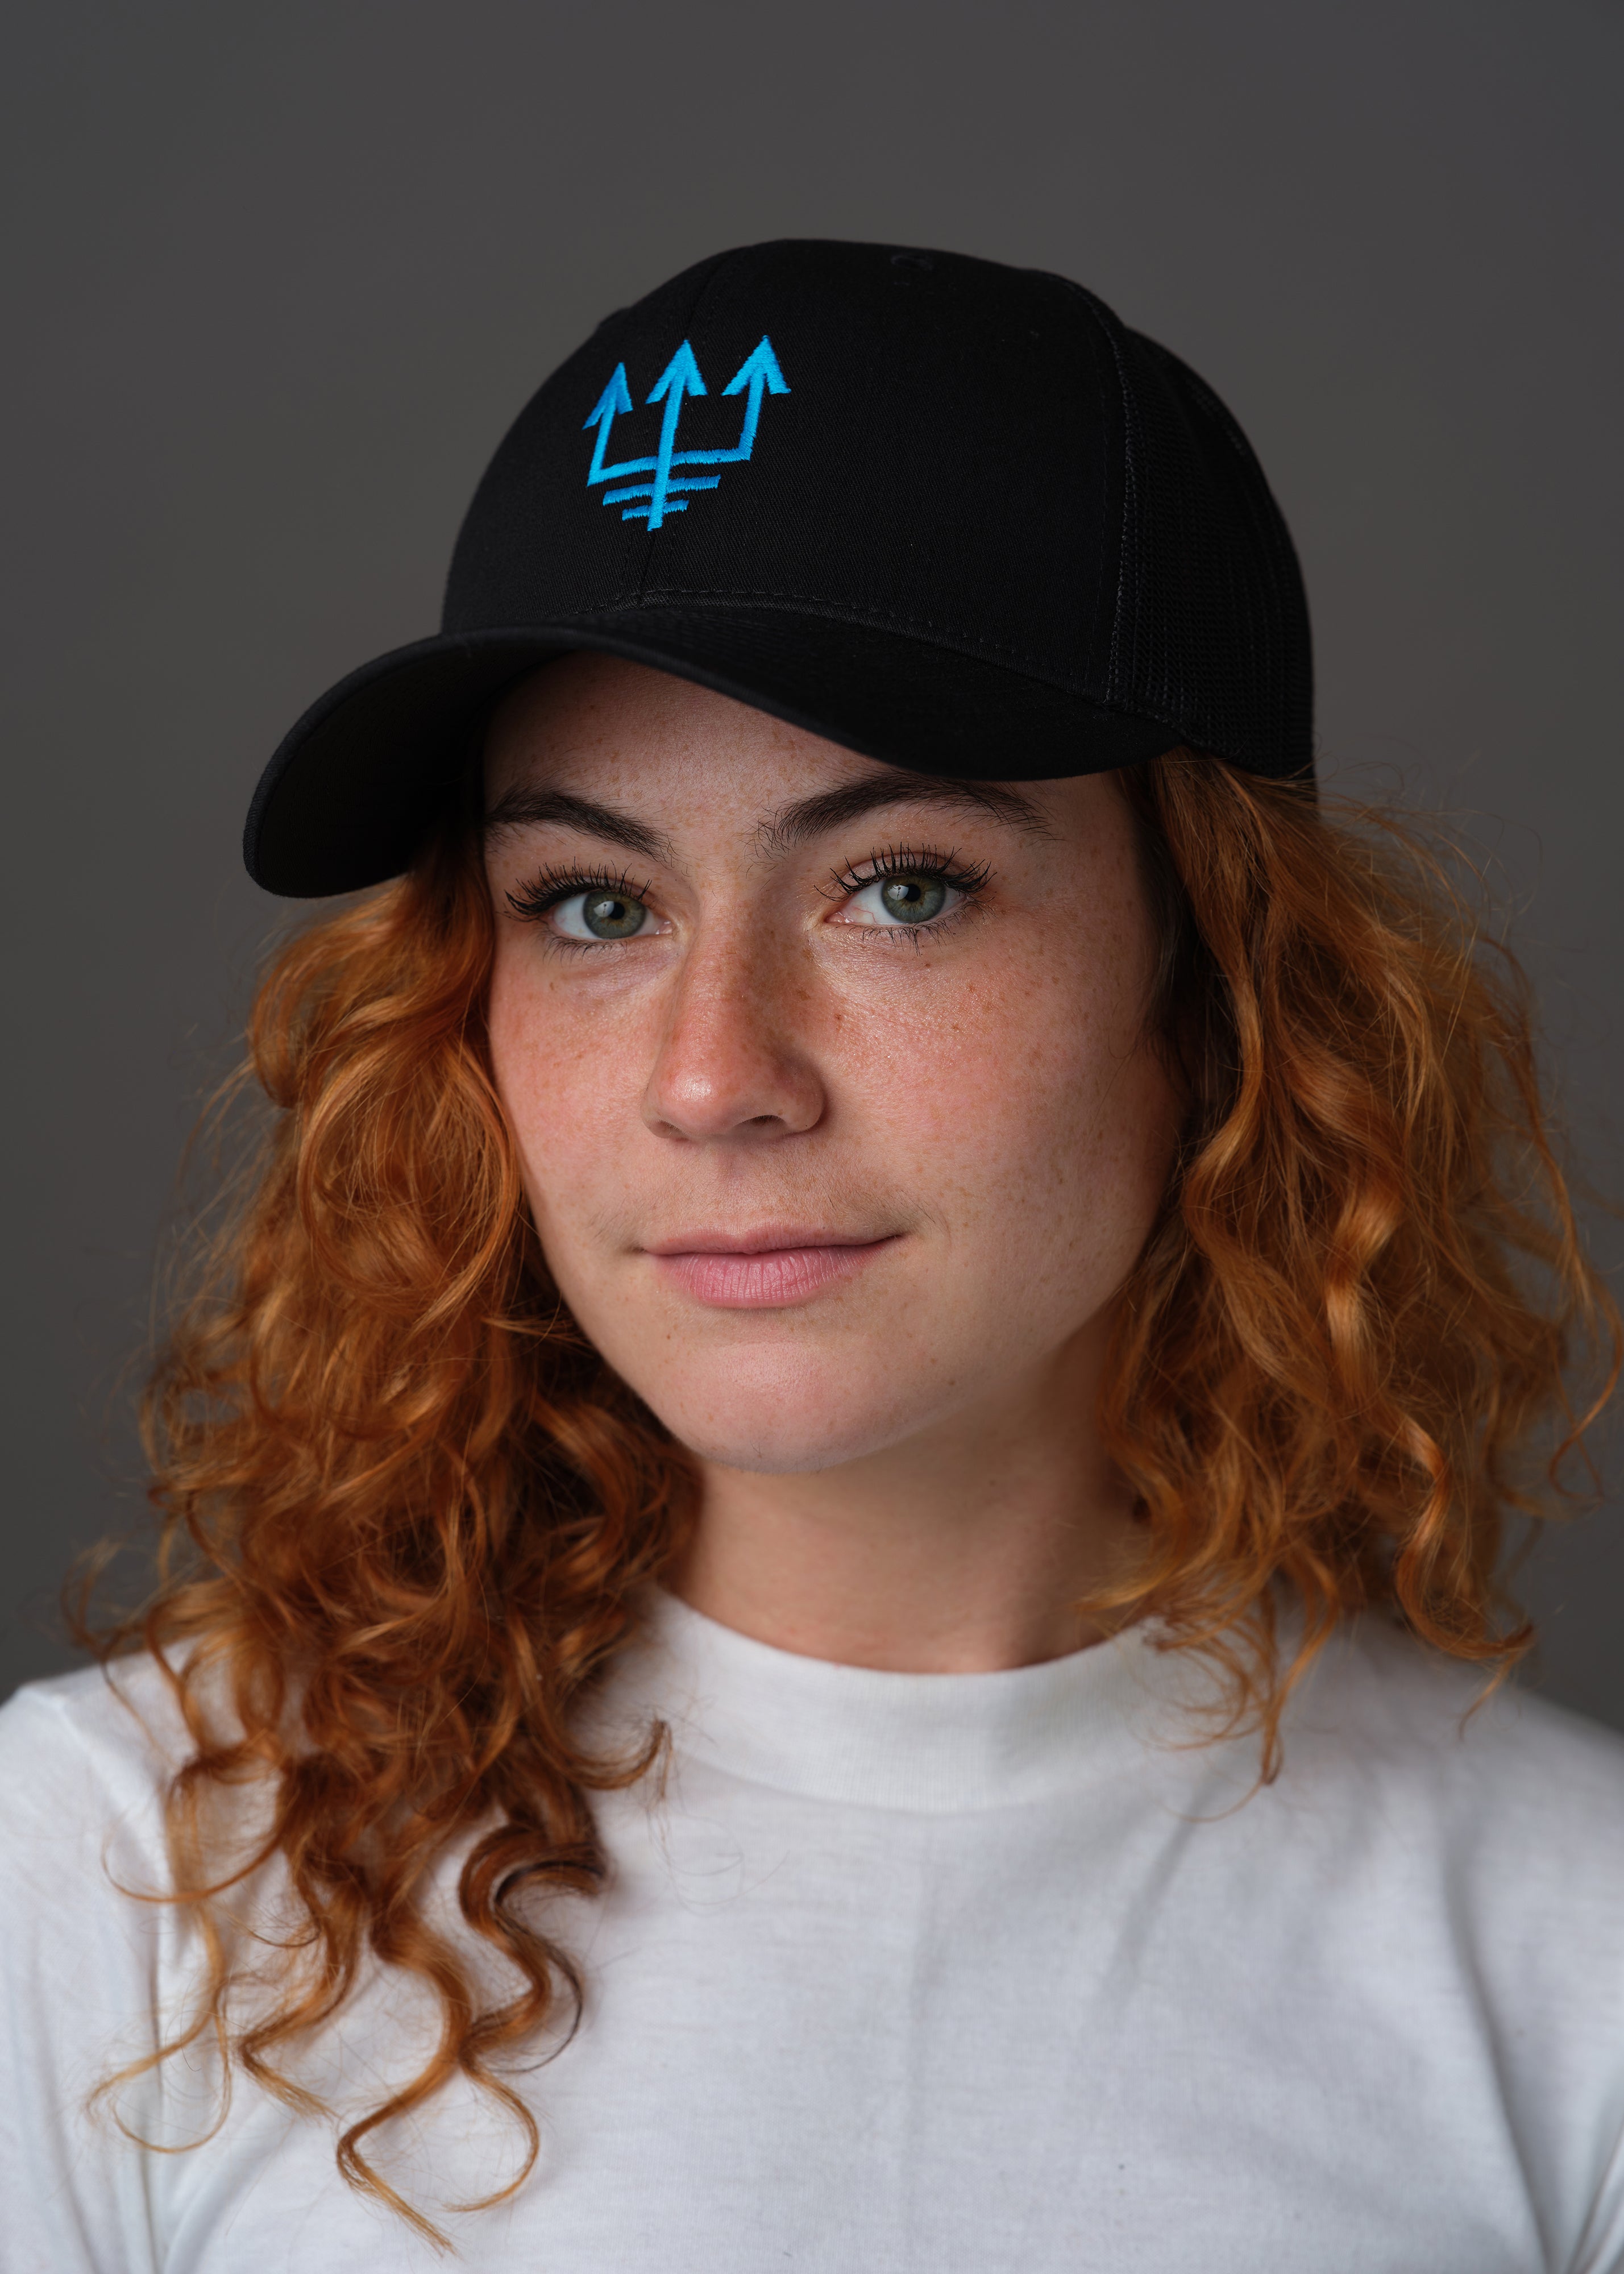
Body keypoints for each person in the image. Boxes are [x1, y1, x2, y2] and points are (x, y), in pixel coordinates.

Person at [2, 239, 1621, 2274]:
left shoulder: (1572, 1956)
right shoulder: (110, 1878)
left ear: (1223, 984)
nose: (712, 1078)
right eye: (593, 906)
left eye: (901, 887)